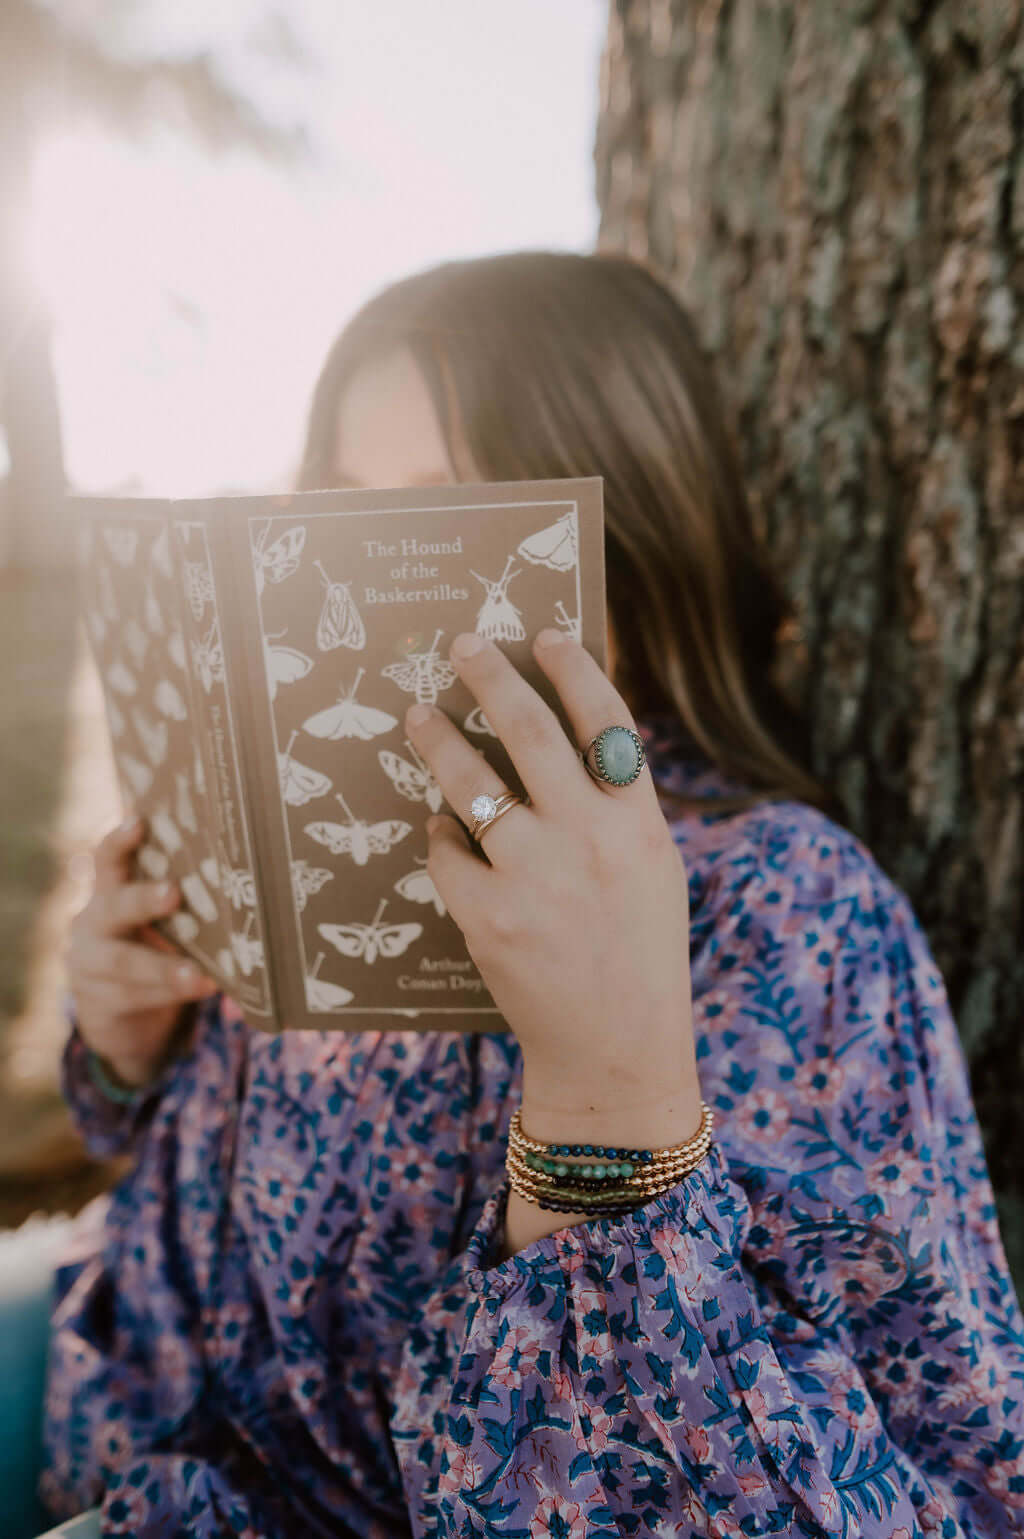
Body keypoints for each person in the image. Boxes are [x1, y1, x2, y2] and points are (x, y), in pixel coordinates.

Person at [41, 253, 1024, 1537]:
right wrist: (125, 1051)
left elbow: (932, 1494)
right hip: (102, 1433)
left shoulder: (787, 909)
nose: (367, 567)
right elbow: (193, 1168)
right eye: (341, 509)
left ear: (630, 537)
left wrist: (610, 1111)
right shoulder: (306, 813)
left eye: (443, 517)